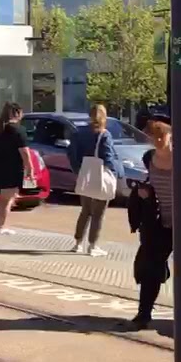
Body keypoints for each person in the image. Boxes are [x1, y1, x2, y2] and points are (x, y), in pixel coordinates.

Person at [125, 121, 173, 331]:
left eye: (162, 136)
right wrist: (145, 193)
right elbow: (150, 184)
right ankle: (144, 313)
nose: (158, 140)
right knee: (149, 267)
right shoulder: (149, 159)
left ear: (170, 136)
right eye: (154, 137)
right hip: (159, 223)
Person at [66, 104, 124, 256]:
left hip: (85, 173)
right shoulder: (104, 134)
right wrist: (115, 173)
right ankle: (93, 246)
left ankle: (77, 243)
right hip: (100, 175)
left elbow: (71, 153)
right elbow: (108, 157)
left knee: (85, 211)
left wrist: (78, 170)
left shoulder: (78, 132)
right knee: (98, 213)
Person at [0, 102, 34, 235]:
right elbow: (25, 152)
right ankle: (1, 226)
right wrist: (30, 169)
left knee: (4, 197)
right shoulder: (18, 130)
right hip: (12, 168)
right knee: (8, 199)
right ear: (17, 113)